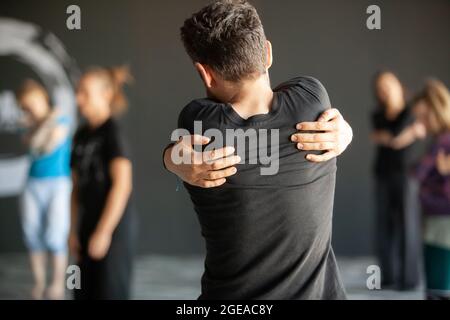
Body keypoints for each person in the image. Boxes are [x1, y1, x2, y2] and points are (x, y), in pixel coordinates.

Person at [164, 0, 351, 299]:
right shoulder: (312, 99)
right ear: (267, 52)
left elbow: (180, 147)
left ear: (205, 73)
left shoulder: (199, 122)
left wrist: (169, 158)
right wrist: (348, 131)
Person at [69, 66, 135, 299]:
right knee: (82, 292)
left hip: (112, 230)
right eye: (78, 92)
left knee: (109, 292)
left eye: (85, 93)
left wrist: (104, 232)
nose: (78, 99)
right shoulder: (80, 134)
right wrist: (73, 230)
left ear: (105, 94)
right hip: (87, 226)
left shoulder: (112, 132)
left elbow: (123, 184)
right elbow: (75, 187)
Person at [16, 79, 72, 300]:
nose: (31, 109)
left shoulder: (63, 119)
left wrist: (45, 125)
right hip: (32, 184)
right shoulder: (31, 124)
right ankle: (39, 283)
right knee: (32, 233)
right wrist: (43, 124)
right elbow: (33, 144)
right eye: (26, 106)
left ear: (43, 98)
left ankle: (57, 284)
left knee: (56, 233)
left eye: (34, 103)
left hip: (58, 183)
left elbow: (47, 145)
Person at [370, 70, 425, 290]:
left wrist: (397, 137)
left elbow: (391, 139)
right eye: (381, 87)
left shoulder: (411, 111)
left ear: (398, 84)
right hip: (382, 174)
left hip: (406, 176)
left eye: (388, 84)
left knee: (407, 225)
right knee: (384, 226)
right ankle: (388, 277)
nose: (385, 90)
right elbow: (391, 137)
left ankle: (409, 280)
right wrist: (408, 134)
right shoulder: (378, 115)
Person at [413, 79, 450, 300]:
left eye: (423, 118)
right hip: (437, 218)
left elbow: (418, 174)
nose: (421, 124)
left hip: (443, 221)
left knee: (438, 291)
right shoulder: (440, 140)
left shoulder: (444, 142)